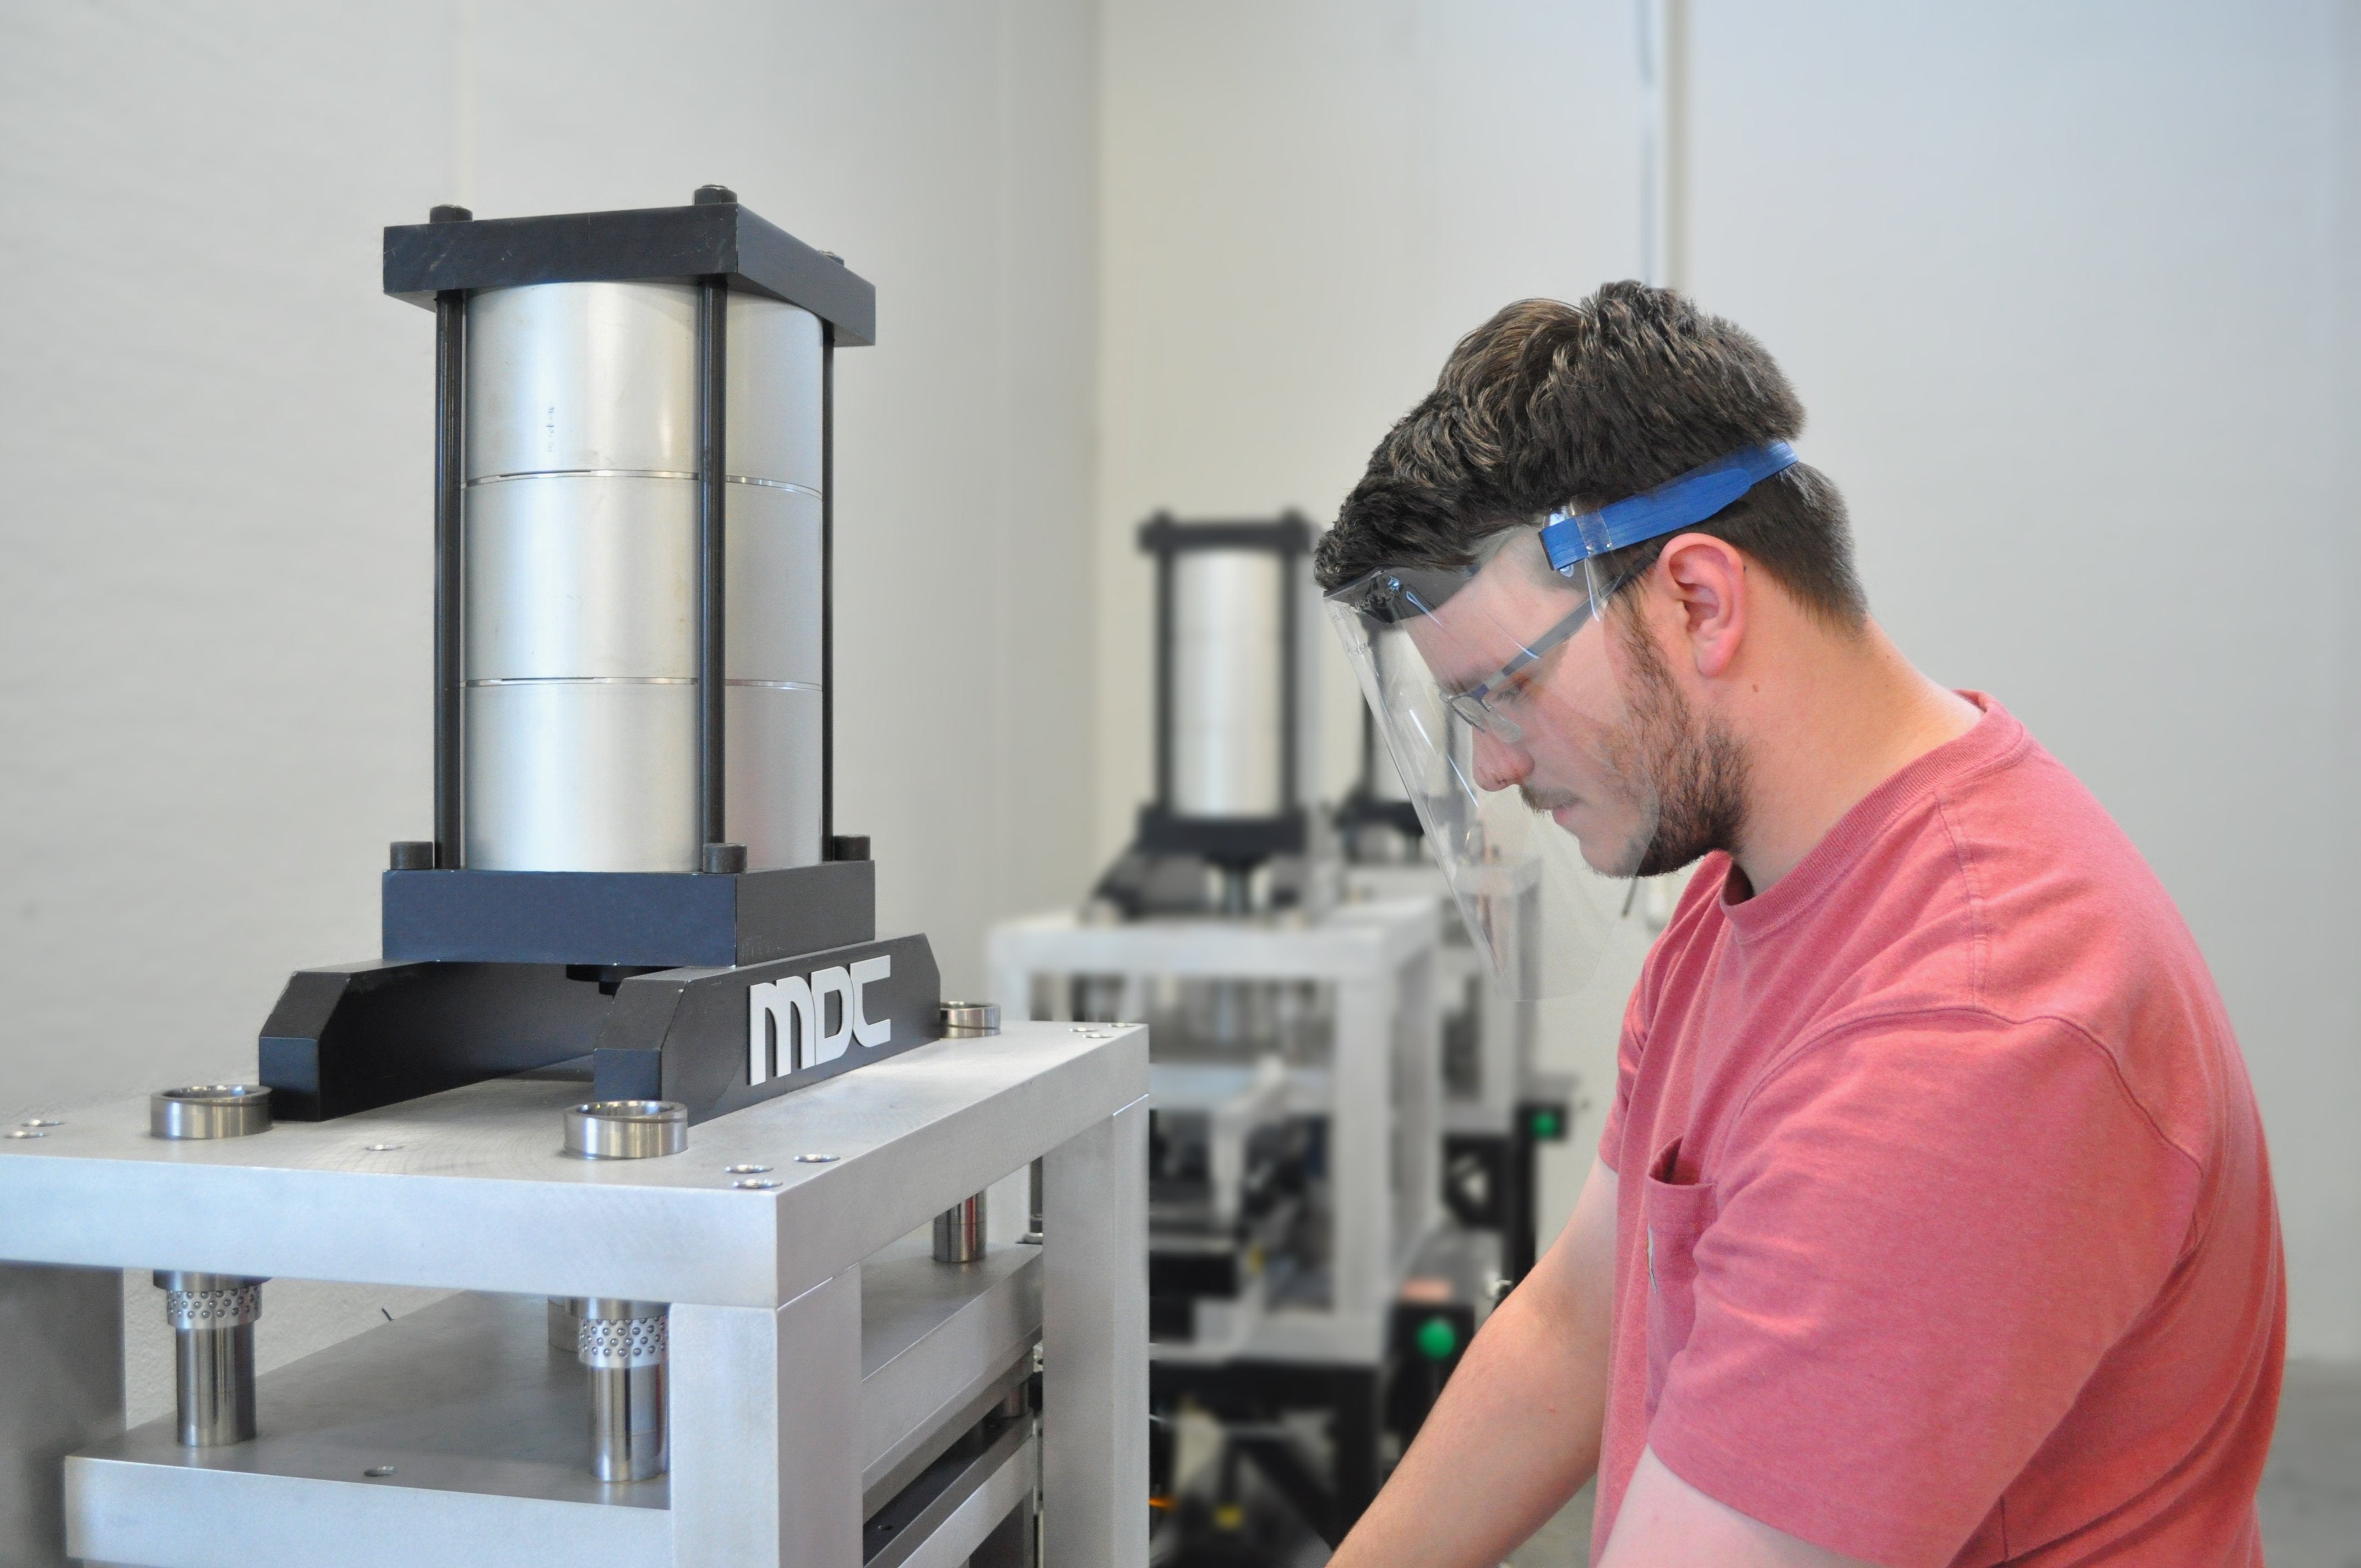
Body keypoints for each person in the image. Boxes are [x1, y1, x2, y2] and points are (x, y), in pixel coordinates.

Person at [1314, 284, 2283, 1567]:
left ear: (1699, 602)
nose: (1491, 768)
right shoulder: (1750, 900)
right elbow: (1576, 1323)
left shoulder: (1969, 1027)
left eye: (1507, 689)